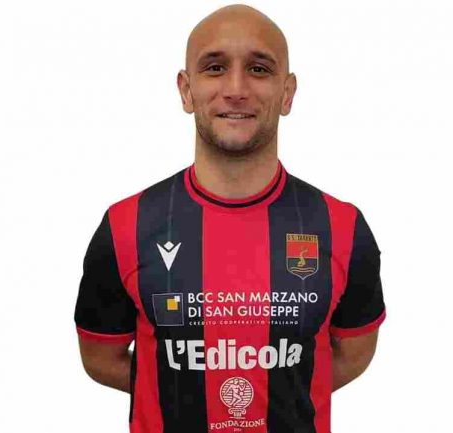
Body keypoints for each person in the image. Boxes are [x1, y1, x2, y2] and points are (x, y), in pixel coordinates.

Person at [74, 4, 386, 433]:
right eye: (215, 67)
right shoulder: (124, 226)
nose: (236, 89)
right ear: (186, 91)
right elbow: (99, 357)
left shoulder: (343, 228)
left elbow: (354, 353)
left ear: (288, 93)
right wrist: (180, 392)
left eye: (259, 69)